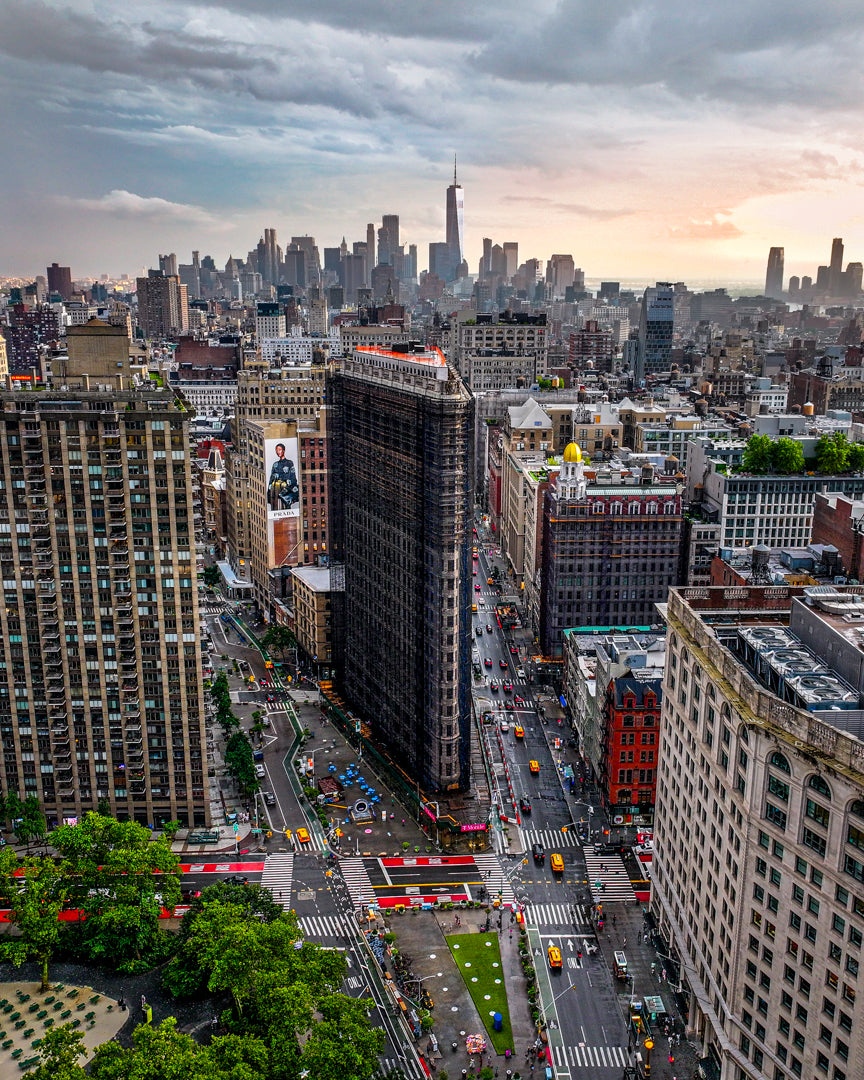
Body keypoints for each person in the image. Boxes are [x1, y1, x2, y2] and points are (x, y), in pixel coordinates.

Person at [267, 443, 299, 512]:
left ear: (283, 450)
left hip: (287, 487)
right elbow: (271, 479)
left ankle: (288, 501)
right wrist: (269, 493)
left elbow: (293, 476)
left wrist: (288, 484)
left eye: (279, 450)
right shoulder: (275, 464)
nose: (278, 452)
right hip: (277, 489)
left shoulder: (289, 463)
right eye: (277, 450)